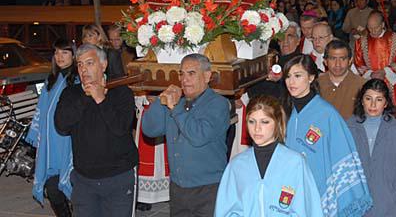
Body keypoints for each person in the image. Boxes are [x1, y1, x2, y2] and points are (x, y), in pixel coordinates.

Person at [283, 55, 372, 217]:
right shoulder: (289, 112)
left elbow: (343, 152)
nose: (291, 82)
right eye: (288, 76)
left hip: (319, 186)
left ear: (311, 77)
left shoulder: (326, 113)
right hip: (293, 186)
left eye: (297, 76)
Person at [142, 53, 230, 217]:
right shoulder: (177, 103)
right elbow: (149, 129)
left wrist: (175, 108)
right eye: (181, 73)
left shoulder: (218, 104)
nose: (184, 79)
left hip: (208, 189)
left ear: (207, 76)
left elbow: (198, 136)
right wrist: (160, 102)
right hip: (178, 189)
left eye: (191, 73)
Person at [54, 44, 138, 217]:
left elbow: (121, 128)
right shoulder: (71, 93)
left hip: (118, 178)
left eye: (90, 63)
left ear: (104, 65)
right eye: (80, 64)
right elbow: (61, 126)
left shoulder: (121, 92)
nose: (84, 69)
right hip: (84, 180)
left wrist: (100, 98)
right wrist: (86, 98)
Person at [215, 95, 323, 216]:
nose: (257, 128)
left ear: (277, 122)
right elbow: (225, 210)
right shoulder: (236, 166)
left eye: (264, 122)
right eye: (252, 121)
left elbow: (309, 210)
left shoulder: (295, 163)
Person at [347, 79, 396, 217]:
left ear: (386, 103)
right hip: (357, 206)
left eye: (379, 99)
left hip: (391, 208)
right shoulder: (349, 127)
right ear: (362, 100)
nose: (373, 104)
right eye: (368, 99)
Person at [26, 39, 76, 217]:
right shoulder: (51, 79)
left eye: (64, 52)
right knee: (52, 189)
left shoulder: (76, 79)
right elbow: (43, 108)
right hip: (50, 142)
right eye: (56, 52)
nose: (59, 56)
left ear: (73, 55)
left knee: (70, 186)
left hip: (69, 142)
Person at [354, 10, 396, 119]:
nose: (373, 31)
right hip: (370, 81)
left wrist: (384, 71)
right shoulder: (361, 41)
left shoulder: (395, 38)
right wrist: (371, 74)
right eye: (370, 28)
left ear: (383, 25)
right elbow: (358, 62)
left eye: (376, 27)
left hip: (391, 81)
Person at [318, 40, 366, 119]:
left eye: (342, 59)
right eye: (333, 58)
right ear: (325, 61)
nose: (337, 64)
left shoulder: (362, 86)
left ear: (350, 61)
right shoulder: (316, 85)